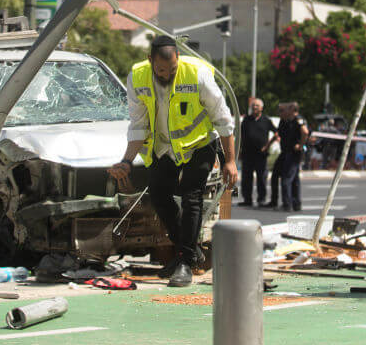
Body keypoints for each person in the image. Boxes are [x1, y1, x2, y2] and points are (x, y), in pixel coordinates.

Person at [108, 36, 237, 287]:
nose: (167, 74)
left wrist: (230, 161)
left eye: (172, 69)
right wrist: (126, 160)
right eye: (161, 70)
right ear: (150, 62)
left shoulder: (198, 75)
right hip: (164, 148)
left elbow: (223, 119)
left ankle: (185, 262)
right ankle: (189, 251)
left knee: (191, 197)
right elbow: (138, 125)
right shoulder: (138, 77)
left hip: (200, 144)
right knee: (159, 196)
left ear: (178, 59)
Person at [238, 98, 274, 207]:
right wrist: (239, 150)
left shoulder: (266, 120)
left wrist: (267, 146)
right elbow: (241, 136)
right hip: (247, 154)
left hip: (261, 155)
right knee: (246, 178)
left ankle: (261, 199)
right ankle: (247, 199)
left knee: (261, 178)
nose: (254, 107)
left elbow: (277, 134)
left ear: (262, 108)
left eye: (257, 105)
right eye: (253, 105)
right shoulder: (246, 120)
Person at [276, 101, 309, 212]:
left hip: (293, 153)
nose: (285, 111)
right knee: (294, 179)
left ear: (292, 110)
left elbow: (305, 132)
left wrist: (300, 145)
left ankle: (287, 204)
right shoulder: (289, 121)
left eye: (287, 109)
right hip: (289, 152)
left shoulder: (298, 120)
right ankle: (296, 204)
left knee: (286, 178)